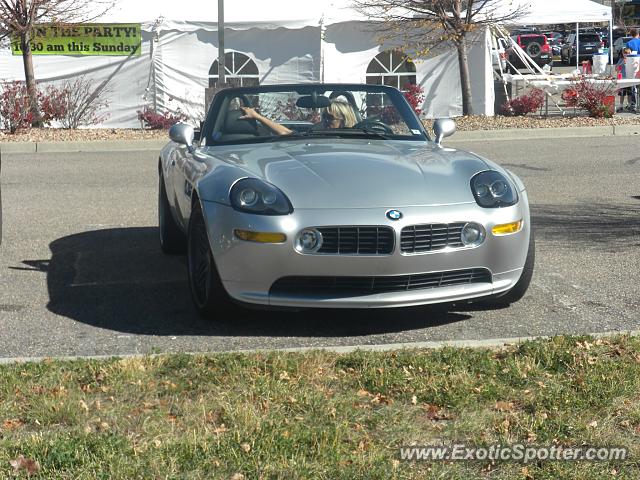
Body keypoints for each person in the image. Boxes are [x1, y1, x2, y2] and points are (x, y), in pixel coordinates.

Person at [239, 99, 357, 135]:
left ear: (344, 119)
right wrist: (257, 116)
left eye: (330, 118)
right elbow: (285, 132)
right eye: (324, 116)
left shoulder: (362, 137)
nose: (325, 121)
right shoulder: (316, 135)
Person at [617, 48, 634, 113]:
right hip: (623, 79)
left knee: (629, 93)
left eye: (628, 53)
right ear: (623, 54)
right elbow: (617, 68)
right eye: (625, 53)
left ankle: (629, 105)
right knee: (622, 93)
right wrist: (621, 63)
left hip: (630, 78)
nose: (626, 55)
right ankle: (621, 105)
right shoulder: (621, 60)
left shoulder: (631, 59)